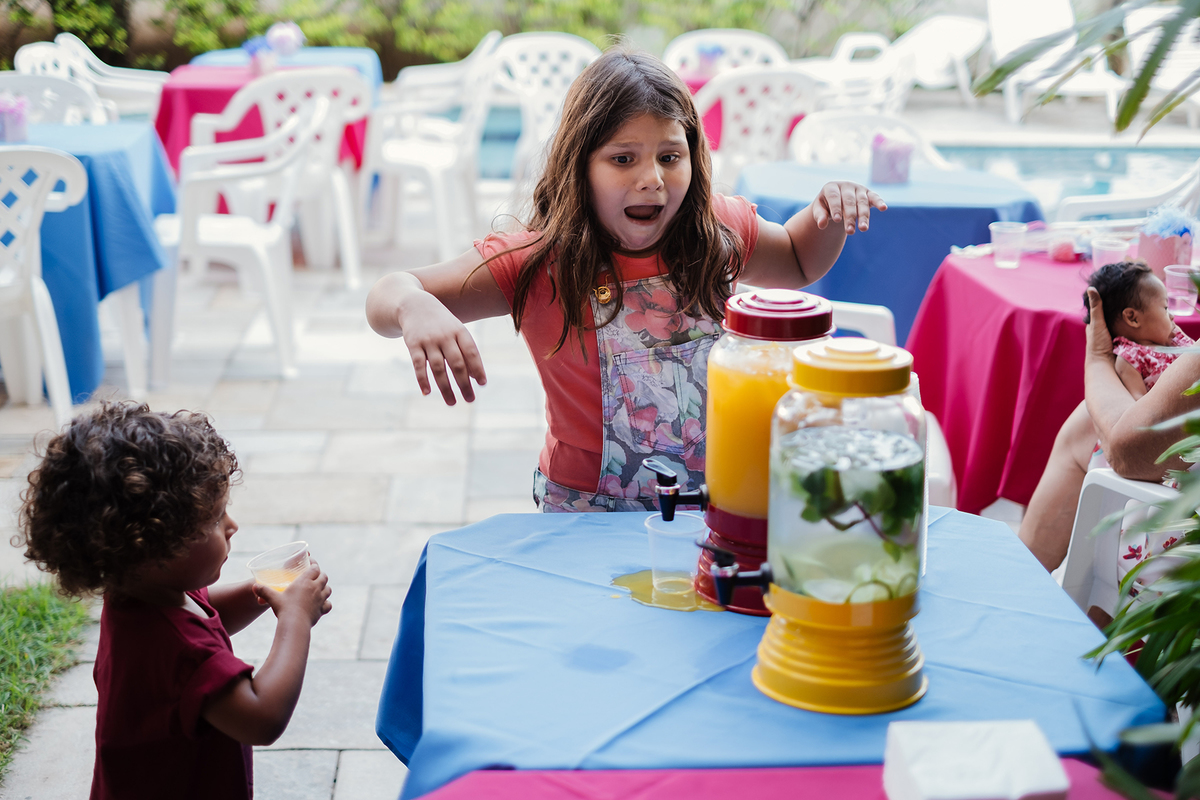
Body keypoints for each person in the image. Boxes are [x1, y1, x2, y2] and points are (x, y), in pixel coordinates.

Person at [366, 47, 886, 512]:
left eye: (670, 157)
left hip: (711, 498)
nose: (651, 179)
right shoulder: (536, 260)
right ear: (580, 166)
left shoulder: (715, 230)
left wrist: (826, 214)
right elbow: (389, 291)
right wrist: (414, 306)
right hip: (586, 510)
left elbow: (796, 260)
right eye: (622, 159)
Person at [16, 403, 333, 800]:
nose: (232, 526)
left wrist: (265, 591)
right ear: (153, 546)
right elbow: (261, 716)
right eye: (214, 518)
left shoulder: (140, 594)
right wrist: (296, 619)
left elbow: (207, 611)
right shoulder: (181, 652)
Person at [1020, 284, 1200, 576]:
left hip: (1186, 553)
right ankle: (1027, 577)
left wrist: (1097, 357)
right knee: (1091, 422)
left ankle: (1026, 580)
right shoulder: (1134, 356)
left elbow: (1127, 451)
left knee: (1091, 423)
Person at [1085, 260, 1194, 399]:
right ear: (1133, 318)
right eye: (1165, 308)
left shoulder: (1175, 339)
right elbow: (1140, 405)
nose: (1172, 316)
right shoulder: (1131, 358)